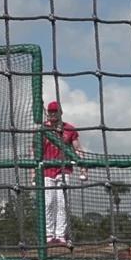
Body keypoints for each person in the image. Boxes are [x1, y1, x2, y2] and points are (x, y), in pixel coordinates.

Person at [42, 100, 86, 245]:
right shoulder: (42, 129)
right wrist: (32, 174)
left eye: (55, 111)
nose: (53, 114)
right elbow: (35, 151)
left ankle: (60, 234)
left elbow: (78, 149)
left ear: (61, 113)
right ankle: (49, 234)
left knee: (62, 202)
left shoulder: (69, 129)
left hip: (64, 169)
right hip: (47, 171)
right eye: (50, 112)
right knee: (48, 202)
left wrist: (83, 168)